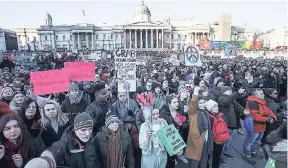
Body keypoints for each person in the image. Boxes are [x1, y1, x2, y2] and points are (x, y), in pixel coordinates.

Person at [243, 89, 277, 165]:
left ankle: (253, 152)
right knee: (249, 141)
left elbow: (269, 111)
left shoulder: (262, 102)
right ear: (256, 95)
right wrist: (267, 119)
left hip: (262, 126)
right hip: (254, 127)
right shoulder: (252, 103)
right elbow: (255, 117)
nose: (263, 95)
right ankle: (247, 154)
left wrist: (273, 117)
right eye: (261, 94)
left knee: (256, 141)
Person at [218, 86, 249, 165]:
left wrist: (243, 110)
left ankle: (224, 153)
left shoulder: (232, 99)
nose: (230, 91)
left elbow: (238, 106)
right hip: (225, 125)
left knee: (229, 141)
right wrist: (238, 93)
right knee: (223, 142)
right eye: (229, 90)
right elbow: (226, 101)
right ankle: (220, 156)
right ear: (224, 91)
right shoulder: (221, 98)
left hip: (233, 124)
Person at [185, 86, 213, 168]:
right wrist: (195, 93)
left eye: (203, 103)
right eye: (200, 103)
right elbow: (193, 103)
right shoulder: (193, 113)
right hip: (196, 141)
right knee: (195, 162)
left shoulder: (205, 112)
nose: (202, 105)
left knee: (204, 160)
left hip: (205, 140)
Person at [160, 95, 189, 166]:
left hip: (179, 140)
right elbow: (162, 131)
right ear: (169, 104)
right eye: (174, 102)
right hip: (169, 142)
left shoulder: (180, 111)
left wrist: (181, 124)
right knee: (169, 162)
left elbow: (187, 125)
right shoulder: (163, 114)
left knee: (173, 162)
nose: (177, 104)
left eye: (177, 102)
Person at [204, 99, 228, 168]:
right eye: (214, 106)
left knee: (210, 156)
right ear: (210, 108)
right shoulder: (222, 115)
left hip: (212, 140)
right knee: (217, 156)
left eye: (216, 106)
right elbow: (227, 125)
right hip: (221, 139)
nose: (216, 107)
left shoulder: (208, 117)